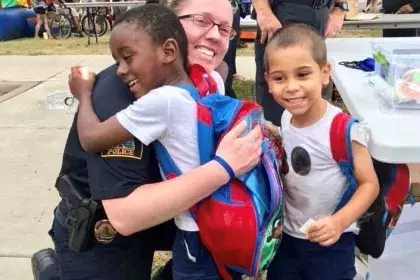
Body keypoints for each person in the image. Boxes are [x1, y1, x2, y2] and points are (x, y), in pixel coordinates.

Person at [69, 4, 254, 280]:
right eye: (202, 20)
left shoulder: (204, 79)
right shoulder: (123, 90)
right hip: (103, 233)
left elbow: (223, 69)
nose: (215, 35)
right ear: (173, 29)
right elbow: (124, 216)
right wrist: (224, 167)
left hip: (188, 220)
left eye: (225, 29)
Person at [263, 24, 379, 279]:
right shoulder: (285, 117)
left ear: (325, 73)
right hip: (286, 238)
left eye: (303, 74)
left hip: (332, 243)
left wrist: (339, 222)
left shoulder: (343, 130)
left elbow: (369, 184)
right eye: (279, 78)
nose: (291, 87)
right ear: (268, 81)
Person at [251, 0, 349, 126]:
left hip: (322, 15)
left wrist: (340, 9)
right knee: (278, 95)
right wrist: (263, 10)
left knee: (315, 89)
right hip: (283, 14)